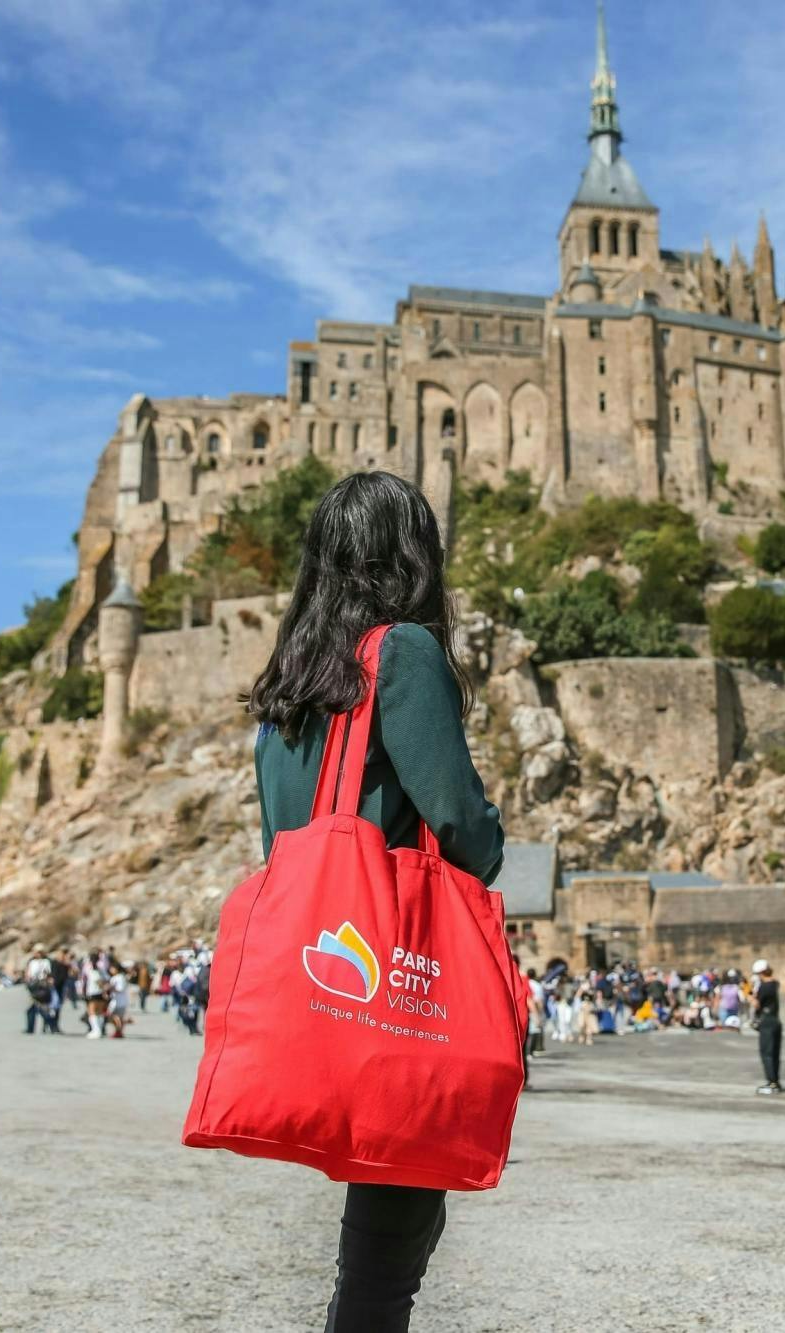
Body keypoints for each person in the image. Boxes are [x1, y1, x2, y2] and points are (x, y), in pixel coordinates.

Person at [246, 470, 505, 1333]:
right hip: (399, 980)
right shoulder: (403, 652)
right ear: (411, 557)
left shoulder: (287, 687)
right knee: (386, 1263)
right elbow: (462, 822)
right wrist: (488, 838)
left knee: (375, 1256)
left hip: (319, 981)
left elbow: (284, 841)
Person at [751, 959, 783, 1095]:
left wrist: (748, 995)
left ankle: (772, 1083)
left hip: (767, 1023)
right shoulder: (774, 984)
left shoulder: (764, 987)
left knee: (767, 1053)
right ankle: (775, 1080)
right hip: (775, 1021)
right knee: (774, 1053)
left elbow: (757, 1004)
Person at [23, 946, 56, 1035]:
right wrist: (28, 981)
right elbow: (28, 973)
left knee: (43, 1009)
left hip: (42, 986)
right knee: (30, 1008)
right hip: (32, 986)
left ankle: (51, 1025)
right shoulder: (31, 962)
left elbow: (48, 974)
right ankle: (30, 1028)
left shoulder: (46, 962)